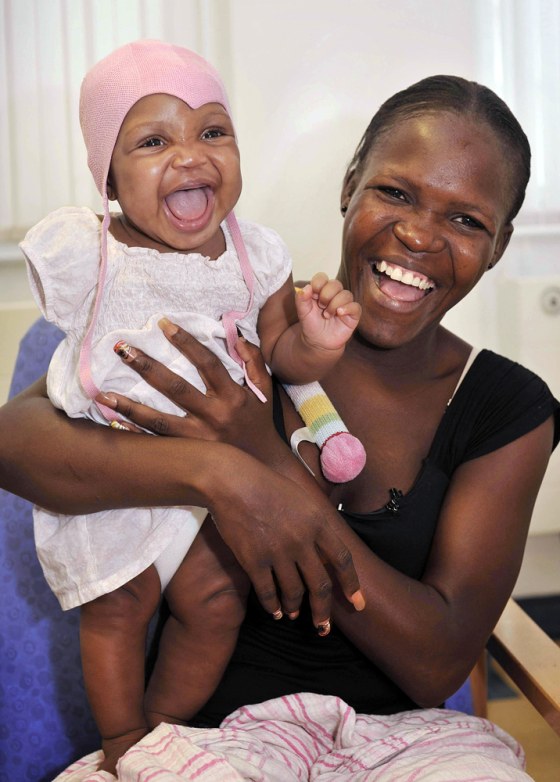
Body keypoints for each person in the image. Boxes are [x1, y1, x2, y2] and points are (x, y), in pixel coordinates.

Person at [2, 73, 559, 780]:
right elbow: (15, 443)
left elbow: (435, 658)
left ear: (501, 243)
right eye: (394, 192)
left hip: (410, 742)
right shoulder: (240, 319)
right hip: (215, 740)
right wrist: (219, 471)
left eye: (466, 220)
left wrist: (262, 456)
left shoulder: (507, 406)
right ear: (350, 186)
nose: (418, 234)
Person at [17, 40, 365, 773]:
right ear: (109, 176)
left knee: (214, 605)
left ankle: (162, 736)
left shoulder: (253, 253)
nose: (190, 155)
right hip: (121, 476)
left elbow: (282, 351)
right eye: (152, 141)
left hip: (214, 498)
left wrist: (319, 342)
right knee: (117, 611)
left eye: (213, 131)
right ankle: (120, 749)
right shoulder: (95, 251)